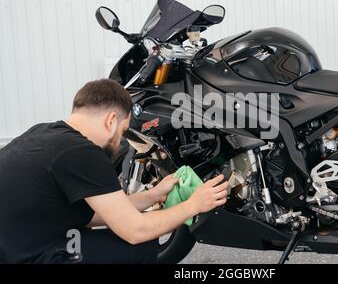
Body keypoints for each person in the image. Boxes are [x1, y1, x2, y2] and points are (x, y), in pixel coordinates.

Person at [0, 79, 228, 264]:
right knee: (139, 247)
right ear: (111, 120)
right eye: (123, 130)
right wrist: (194, 204)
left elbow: (94, 214)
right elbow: (135, 231)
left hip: (15, 246)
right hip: (28, 256)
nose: (120, 141)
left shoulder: (44, 134)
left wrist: (153, 195)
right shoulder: (83, 152)